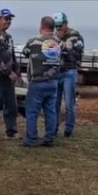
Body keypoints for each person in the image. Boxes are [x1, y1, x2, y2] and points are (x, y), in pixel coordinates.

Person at [22, 16, 62, 147]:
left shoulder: (34, 42)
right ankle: (50, 138)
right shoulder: (59, 42)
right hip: (53, 81)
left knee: (32, 112)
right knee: (50, 111)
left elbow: (25, 52)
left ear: (41, 27)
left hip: (37, 81)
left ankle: (31, 139)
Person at [0, 8, 21, 141]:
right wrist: (8, 73)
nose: (8, 22)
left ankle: (11, 131)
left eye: (10, 19)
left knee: (12, 105)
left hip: (9, 78)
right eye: (6, 19)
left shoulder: (9, 37)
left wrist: (17, 72)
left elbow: (12, 56)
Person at [53, 11, 84, 138]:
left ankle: (69, 128)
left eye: (60, 25)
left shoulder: (75, 36)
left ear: (66, 23)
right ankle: (53, 127)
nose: (58, 28)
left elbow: (77, 54)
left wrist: (62, 45)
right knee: (55, 102)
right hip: (57, 71)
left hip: (69, 71)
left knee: (69, 103)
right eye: (56, 26)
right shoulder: (54, 36)